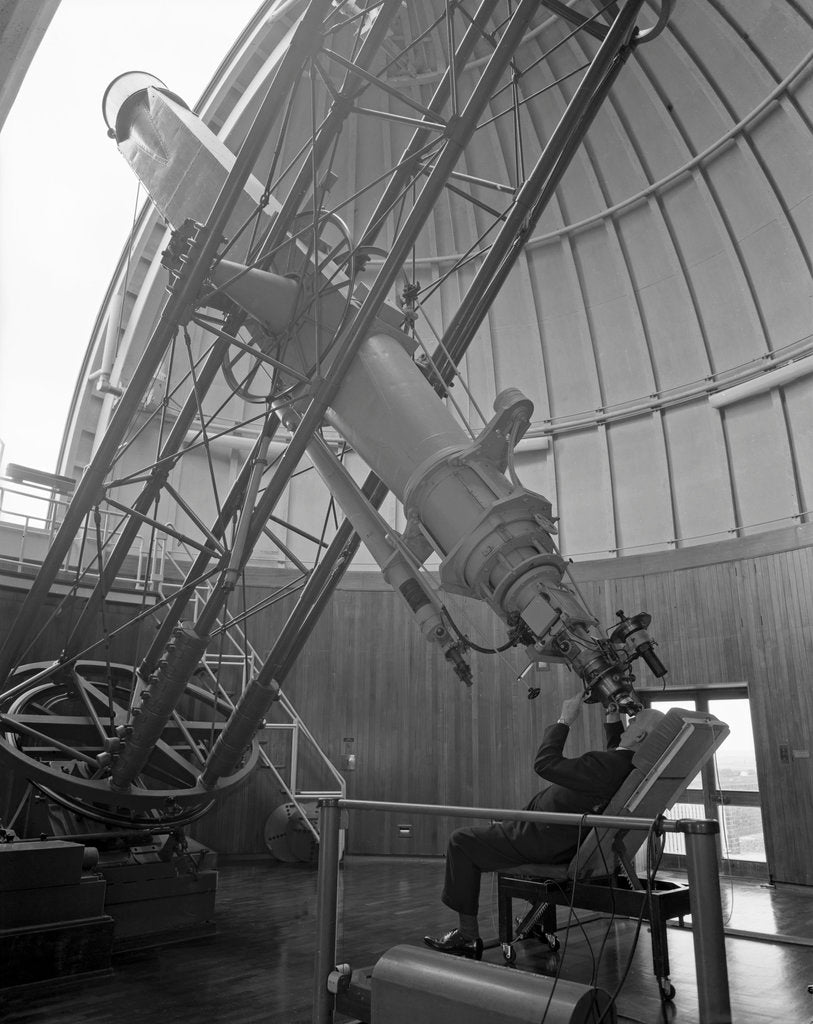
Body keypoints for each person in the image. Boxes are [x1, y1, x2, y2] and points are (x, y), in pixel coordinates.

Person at [424, 694, 665, 960]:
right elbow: (618, 753)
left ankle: (467, 936)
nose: (627, 726)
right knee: (491, 834)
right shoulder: (629, 766)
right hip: (558, 838)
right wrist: (612, 718)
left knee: (462, 841)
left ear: (641, 737)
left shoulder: (608, 767)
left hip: (540, 841)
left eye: (633, 724)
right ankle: (535, 922)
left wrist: (564, 720)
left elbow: (545, 763)